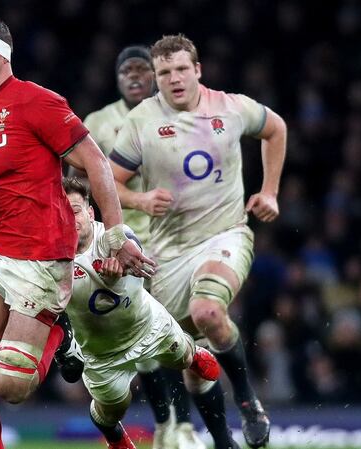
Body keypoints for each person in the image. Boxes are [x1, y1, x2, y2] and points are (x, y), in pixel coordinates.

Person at [0, 15, 153, 449]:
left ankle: (61, 330)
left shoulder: (36, 101)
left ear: (4, 53)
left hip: (43, 259)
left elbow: (95, 161)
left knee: (11, 388)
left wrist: (116, 234)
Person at [110, 34, 288, 449]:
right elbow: (110, 182)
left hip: (226, 233)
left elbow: (276, 129)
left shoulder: (231, 106)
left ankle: (247, 400)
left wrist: (271, 191)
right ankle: (224, 441)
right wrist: (140, 198)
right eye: (164, 72)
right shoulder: (141, 121)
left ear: (198, 70)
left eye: (181, 69)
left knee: (207, 310)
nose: (173, 79)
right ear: (155, 78)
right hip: (168, 253)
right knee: (192, 359)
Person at [71, 45, 203, 449]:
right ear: (116, 77)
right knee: (143, 334)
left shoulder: (177, 116)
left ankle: (182, 423)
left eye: (142, 69)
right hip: (114, 242)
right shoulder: (97, 121)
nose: (134, 76)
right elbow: (78, 182)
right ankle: (170, 424)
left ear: (156, 76)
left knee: (180, 329)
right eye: (126, 69)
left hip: (171, 239)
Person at [62, 177, 238, 449]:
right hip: (100, 353)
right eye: (61, 211)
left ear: (90, 212)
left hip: (148, 326)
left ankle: (193, 355)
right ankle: (114, 436)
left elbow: (135, 250)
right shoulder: (50, 257)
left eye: (74, 210)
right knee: (112, 411)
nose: (69, 218)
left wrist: (122, 268)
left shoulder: (112, 239)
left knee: (183, 357)